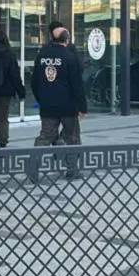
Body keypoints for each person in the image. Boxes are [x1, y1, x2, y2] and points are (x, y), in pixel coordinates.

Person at [31, 27, 87, 179]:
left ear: (52, 39)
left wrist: (41, 99)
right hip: (68, 106)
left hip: (48, 105)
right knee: (72, 137)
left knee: (45, 137)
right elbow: (77, 85)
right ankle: (72, 170)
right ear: (67, 40)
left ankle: (33, 168)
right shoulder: (70, 57)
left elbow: (34, 82)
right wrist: (82, 107)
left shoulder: (42, 56)